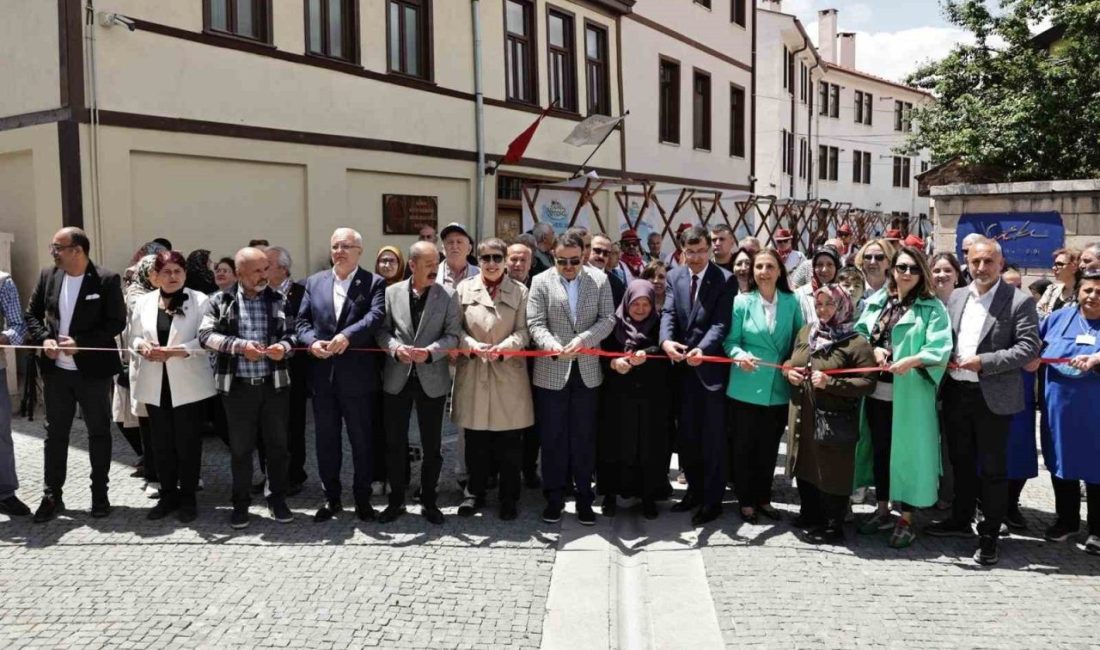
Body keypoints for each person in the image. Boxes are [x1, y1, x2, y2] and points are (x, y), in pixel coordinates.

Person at [928, 237, 1040, 566]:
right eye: (975, 261)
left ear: (1000, 264)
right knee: (960, 463)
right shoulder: (957, 296)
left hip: (992, 397)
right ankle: (960, 520)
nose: (981, 267)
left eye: (988, 261)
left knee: (992, 470)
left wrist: (985, 361)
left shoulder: (1018, 301)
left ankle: (989, 534)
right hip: (956, 393)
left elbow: (1027, 348)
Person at [852, 246, 953, 549]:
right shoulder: (878, 302)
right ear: (892, 270)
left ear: (921, 272)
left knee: (908, 455)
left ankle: (906, 517)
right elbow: (860, 334)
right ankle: (882, 509)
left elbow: (940, 346)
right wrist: (874, 349)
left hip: (910, 395)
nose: (906, 273)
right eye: (901, 267)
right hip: (877, 393)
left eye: (912, 268)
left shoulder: (931, 307)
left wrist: (912, 360)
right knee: (881, 451)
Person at [25, 227, 126, 522]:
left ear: (77, 251)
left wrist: (82, 344)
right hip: (57, 373)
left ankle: (99, 495)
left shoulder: (106, 279)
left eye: (58, 247)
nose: (53, 252)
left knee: (99, 432)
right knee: (55, 434)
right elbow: (32, 314)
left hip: (93, 372)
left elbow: (115, 322)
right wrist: (45, 338)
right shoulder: (48, 276)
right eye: (52, 247)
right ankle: (52, 495)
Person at [199, 247, 297, 529]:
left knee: (278, 447)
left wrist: (284, 347)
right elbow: (205, 336)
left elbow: (293, 333)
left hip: (274, 385)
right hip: (239, 388)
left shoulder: (279, 299)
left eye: (266, 269)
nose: (264, 276)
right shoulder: (220, 300)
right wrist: (240, 347)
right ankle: (240, 504)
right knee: (241, 450)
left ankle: (277, 499)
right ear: (239, 273)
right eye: (256, 271)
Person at [297, 228, 386, 524]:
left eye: (346, 246)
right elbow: (301, 321)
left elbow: (374, 317)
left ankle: (362, 499)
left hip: (358, 379)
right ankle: (331, 497)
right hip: (323, 377)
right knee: (326, 440)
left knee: (361, 440)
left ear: (359, 250)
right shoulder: (314, 282)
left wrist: (347, 336)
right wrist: (312, 342)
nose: (339, 251)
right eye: (335, 246)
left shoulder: (373, 282)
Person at [528, 231, 615, 525]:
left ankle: (584, 501)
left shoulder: (599, 281)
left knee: (584, 439)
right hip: (552, 371)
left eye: (574, 261)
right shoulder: (540, 281)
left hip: (587, 372)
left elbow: (608, 320)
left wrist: (584, 340)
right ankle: (553, 499)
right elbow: (535, 322)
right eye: (561, 261)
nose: (568, 267)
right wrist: (551, 345)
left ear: (584, 256)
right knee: (552, 439)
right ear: (553, 256)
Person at [784, 285, 876, 543]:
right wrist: (788, 372)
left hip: (834, 418)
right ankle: (810, 514)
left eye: (829, 304)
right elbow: (791, 361)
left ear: (843, 306)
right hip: (804, 412)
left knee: (832, 469)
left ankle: (832, 525)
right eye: (819, 304)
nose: (822, 310)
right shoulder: (807, 331)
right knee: (805, 461)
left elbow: (868, 383)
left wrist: (831, 383)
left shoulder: (855, 343)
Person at [376, 241, 460, 525]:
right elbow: (382, 331)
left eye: (437, 264)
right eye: (428, 264)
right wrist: (394, 348)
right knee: (394, 443)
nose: (434, 269)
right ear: (412, 265)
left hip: (431, 379)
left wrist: (432, 352)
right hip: (396, 379)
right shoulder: (391, 293)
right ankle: (396, 501)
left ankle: (429, 501)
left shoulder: (447, 295)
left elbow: (453, 336)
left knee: (432, 445)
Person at [129, 251, 216, 522]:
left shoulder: (200, 300)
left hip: (188, 383)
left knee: (188, 443)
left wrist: (178, 350)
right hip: (155, 382)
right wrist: (141, 346)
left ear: (185, 274)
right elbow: (132, 337)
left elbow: (207, 340)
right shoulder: (144, 302)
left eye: (177, 271)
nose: (172, 277)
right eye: (166, 272)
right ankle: (167, 495)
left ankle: (188, 497)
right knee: (161, 444)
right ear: (155, 276)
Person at [452, 238, 534, 520]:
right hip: (475, 369)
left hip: (508, 373)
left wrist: (507, 347)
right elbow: (456, 330)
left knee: (510, 441)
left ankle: (509, 497)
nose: (491, 263)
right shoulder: (463, 289)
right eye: (485, 258)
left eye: (497, 258)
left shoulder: (520, 292)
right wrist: (472, 346)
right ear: (478, 260)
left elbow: (525, 331)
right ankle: (474, 493)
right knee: (475, 439)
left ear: (504, 260)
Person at [723, 248, 803, 524]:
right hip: (745, 385)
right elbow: (729, 341)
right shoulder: (741, 303)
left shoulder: (792, 303)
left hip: (776, 389)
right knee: (744, 447)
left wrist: (793, 362)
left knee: (769, 449)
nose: (764, 272)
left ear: (780, 270)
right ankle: (745, 501)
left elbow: (799, 341)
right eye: (759, 267)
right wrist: (739, 355)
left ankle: (763, 498)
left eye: (770, 267)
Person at [662, 227, 735, 525]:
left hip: (709, 370)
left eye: (702, 251)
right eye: (690, 252)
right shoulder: (674, 276)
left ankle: (712, 500)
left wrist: (702, 350)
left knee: (712, 438)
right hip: (680, 370)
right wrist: (666, 341)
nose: (696, 257)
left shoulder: (724, 279)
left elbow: (720, 323)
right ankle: (693, 490)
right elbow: (668, 313)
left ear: (710, 250)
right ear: (682, 251)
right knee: (688, 436)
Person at [1029, 269, 1100, 555]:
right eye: (1088, 290)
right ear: (1078, 292)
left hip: (1094, 411)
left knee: (1096, 467)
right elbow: (1033, 345)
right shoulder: (1057, 318)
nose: (1093, 296)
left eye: (1099, 291)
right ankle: (1067, 520)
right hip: (1059, 409)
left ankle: (1097, 529)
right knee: (1061, 461)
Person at [598, 280, 670, 520]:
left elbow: (663, 353)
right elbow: (601, 354)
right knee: (614, 446)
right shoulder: (613, 324)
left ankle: (648, 496)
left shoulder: (659, 326)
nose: (640, 309)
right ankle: (610, 495)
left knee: (648, 448)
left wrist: (647, 356)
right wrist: (613, 363)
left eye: (645, 304)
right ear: (626, 302)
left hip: (650, 400)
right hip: (617, 399)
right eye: (635, 303)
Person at [264, 245, 308, 495]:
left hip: (294, 368)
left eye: (267, 265)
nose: (262, 270)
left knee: (292, 424)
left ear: (283, 268)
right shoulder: (259, 292)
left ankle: (294, 474)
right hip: (264, 368)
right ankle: (270, 474)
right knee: (267, 425)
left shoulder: (301, 292)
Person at [1000, 266, 1038, 530]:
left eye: (1018, 285)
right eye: (1008, 285)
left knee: (1020, 450)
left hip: (1021, 391)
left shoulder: (1029, 311)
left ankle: (1012, 505)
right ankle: (987, 507)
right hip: (992, 389)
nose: (1014, 291)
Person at [929, 251, 965, 510]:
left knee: (952, 445)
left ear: (957, 275)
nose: (941, 275)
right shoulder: (926, 303)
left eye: (947, 270)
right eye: (936, 270)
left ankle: (950, 494)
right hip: (926, 384)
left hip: (956, 385)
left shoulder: (966, 303)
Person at [506, 241, 541, 486]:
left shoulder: (539, 285)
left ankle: (529, 469)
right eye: (513, 259)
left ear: (531, 263)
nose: (518, 264)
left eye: (523, 260)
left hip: (533, 365)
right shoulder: (497, 284)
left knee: (532, 421)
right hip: (503, 362)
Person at [0, 271, 29, 517]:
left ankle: (5, 493)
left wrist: (2, 337)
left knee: (0, 434)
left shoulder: (2, 281)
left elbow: (18, 326)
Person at [794, 247, 841, 326]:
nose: (824, 269)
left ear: (836, 268)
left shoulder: (843, 295)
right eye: (819, 265)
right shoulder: (799, 295)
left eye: (830, 264)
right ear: (813, 268)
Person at [1037, 248, 1081, 318]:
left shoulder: (1082, 295)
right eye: (1054, 264)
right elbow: (1039, 313)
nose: (1054, 268)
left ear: (1074, 267)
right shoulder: (1051, 289)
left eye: (1059, 264)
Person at [588, 233, 627, 307]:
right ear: (588, 250)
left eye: (606, 253)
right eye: (597, 251)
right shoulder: (574, 277)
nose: (601, 256)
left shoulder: (616, 284)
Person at [438, 222, 480, 289]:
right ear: (443, 249)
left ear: (469, 249)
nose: (455, 246)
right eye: (450, 242)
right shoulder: (432, 274)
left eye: (459, 242)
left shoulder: (480, 275)